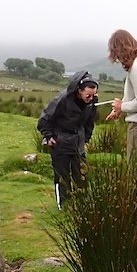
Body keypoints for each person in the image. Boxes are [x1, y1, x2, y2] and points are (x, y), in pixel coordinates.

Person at [37, 70, 99, 207]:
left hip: (79, 143)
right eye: (88, 95)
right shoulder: (61, 100)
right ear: (79, 90)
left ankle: (81, 206)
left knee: (81, 175)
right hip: (60, 142)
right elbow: (44, 120)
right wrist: (48, 136)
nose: (91, 98)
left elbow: (90, 122)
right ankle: (63, 206)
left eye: (94, 95)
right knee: (62, 176)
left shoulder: (92, 101)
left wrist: (86, 139)